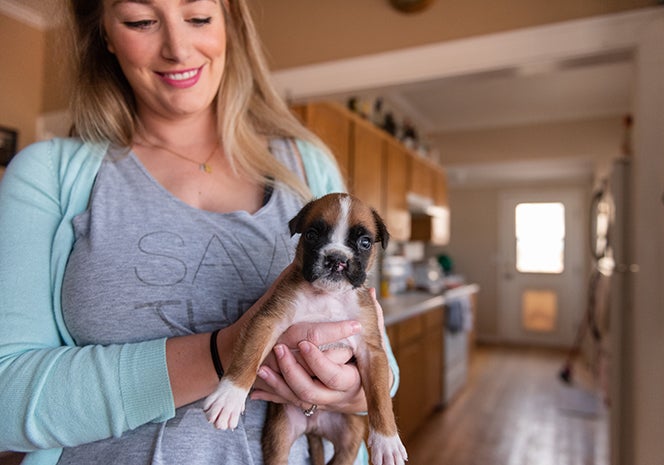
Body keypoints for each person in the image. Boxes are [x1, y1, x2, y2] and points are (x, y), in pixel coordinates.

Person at [0, 1, 399, 464]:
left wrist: (348, 390)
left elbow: (379, 367)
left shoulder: (307, 166)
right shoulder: (50, 174)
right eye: (141, 21)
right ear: (105, 32)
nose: (178, 47)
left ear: (231, 23)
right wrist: (225, 353)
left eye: (198, 17)